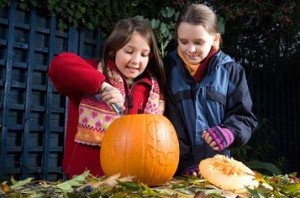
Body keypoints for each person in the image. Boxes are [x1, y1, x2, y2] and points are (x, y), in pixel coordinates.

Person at [48, 18, 166, 179]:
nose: (136, 61)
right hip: (86, 176)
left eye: (144, 54)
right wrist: (102, 85)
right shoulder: (92, 73)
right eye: (129, 51)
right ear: (113, 50)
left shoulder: (154, 91)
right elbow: (59, 65)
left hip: (130, 179)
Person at [163, 4, 257, 176]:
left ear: (215, 39)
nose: (190, 49)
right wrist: (185, 163)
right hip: (176, 170)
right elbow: (168, 121)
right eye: (183, 42)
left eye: (198, 42)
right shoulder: (167, 68)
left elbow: (245, 117)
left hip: (219, 170)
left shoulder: (231, 71)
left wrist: (230, 132)